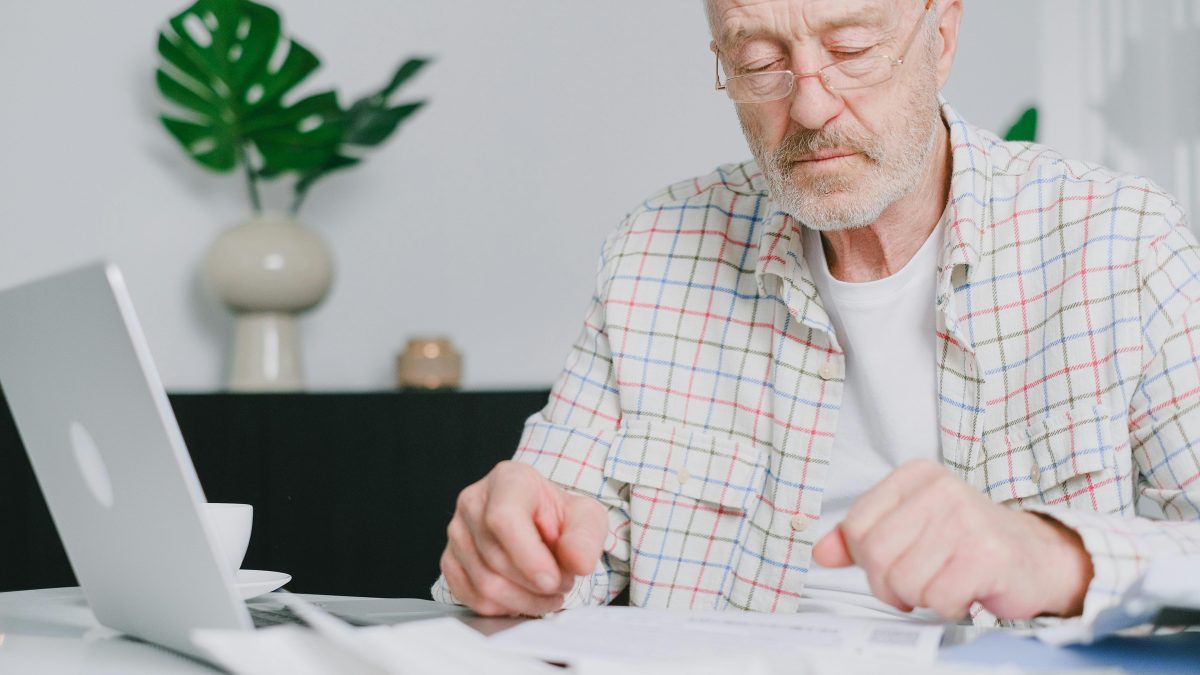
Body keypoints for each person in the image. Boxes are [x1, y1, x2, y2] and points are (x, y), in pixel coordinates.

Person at [433, 0, 1200, 629]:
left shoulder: (1121, 242)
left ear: (941, 35)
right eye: (758, 61)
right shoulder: (654, 252)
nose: (808, 104)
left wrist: (1054, 557)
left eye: (852, 49)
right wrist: (509, 557)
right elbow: (559, 543)